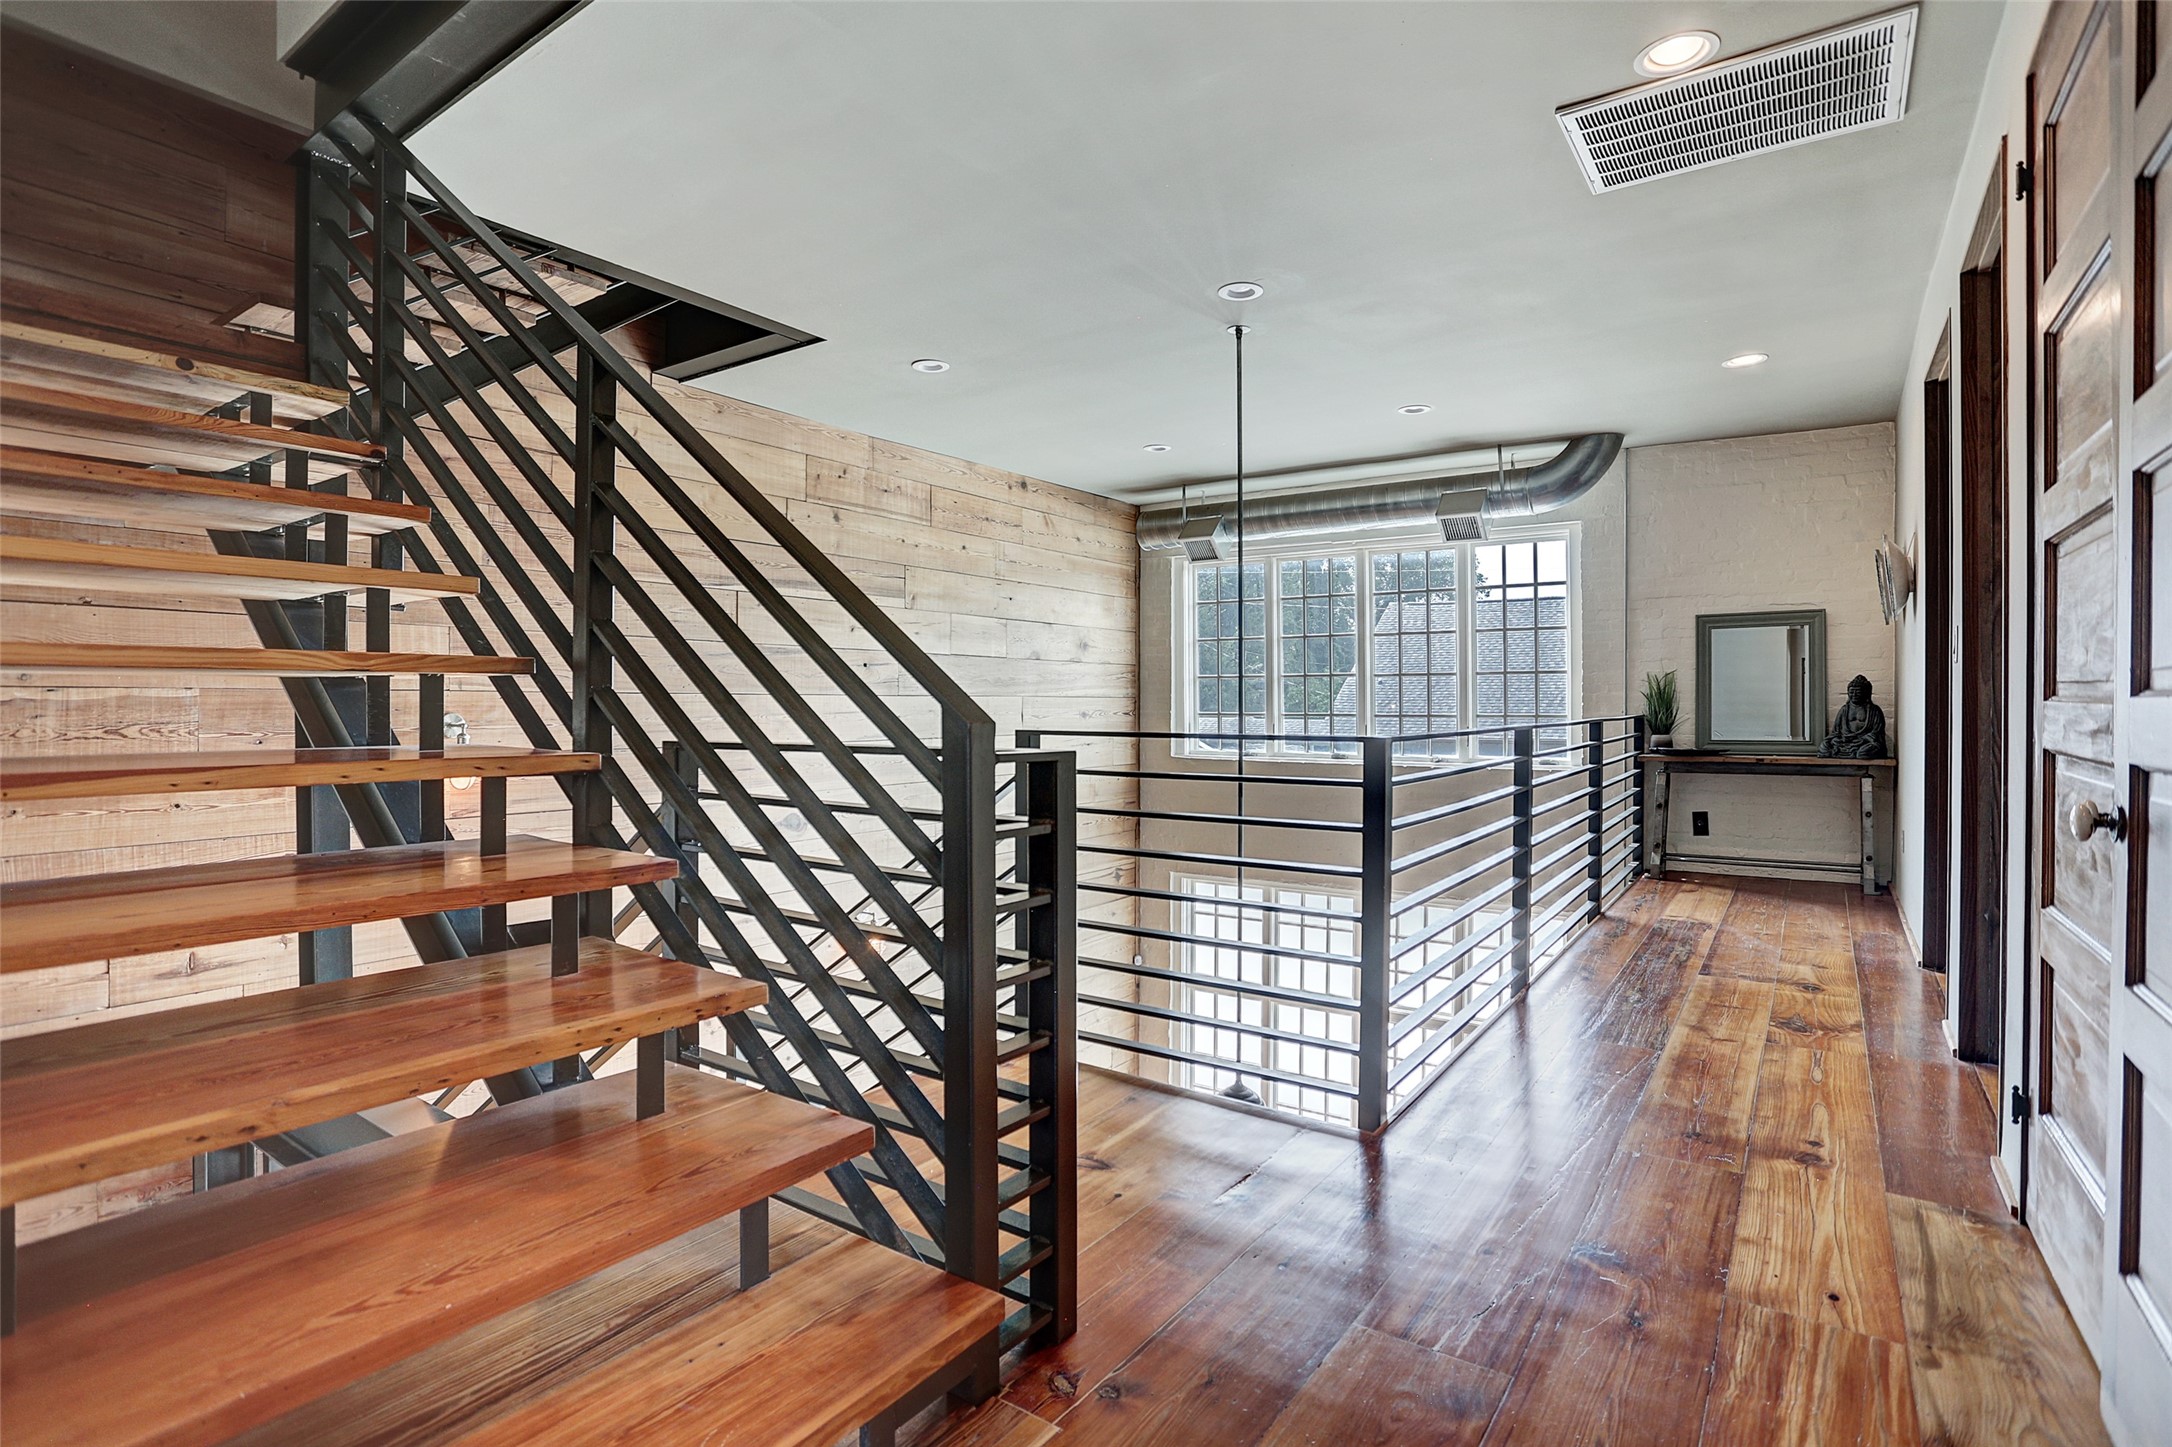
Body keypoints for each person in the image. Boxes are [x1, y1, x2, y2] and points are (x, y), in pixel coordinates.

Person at [1819, 674, 1887, 759]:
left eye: (1858, 692)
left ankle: (1855, 751)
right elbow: (1836, 732)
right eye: (1851, 692)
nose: (1854, 695)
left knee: (1863, 752)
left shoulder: (1874, 711)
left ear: (1865, 693)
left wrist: (1863, 739)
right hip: (1845, 742)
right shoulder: (1844, 710)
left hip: (1864, 742)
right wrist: (1838, 739)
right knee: (1824, 747)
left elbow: (1877, 732)